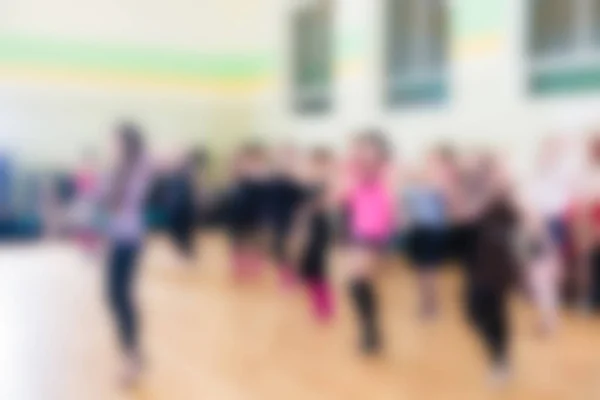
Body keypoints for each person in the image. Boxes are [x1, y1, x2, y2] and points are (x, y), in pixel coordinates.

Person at [101, 122, 152, 386]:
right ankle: (133, 353)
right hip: (116, 240)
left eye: (114, 141)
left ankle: (132, 357)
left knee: (120, 297)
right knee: (114, 297)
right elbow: (103, 199)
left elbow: (154, 159)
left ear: (126, 143)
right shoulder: (116, 171)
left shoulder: (138, 168)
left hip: (130, 241)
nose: (110, 146)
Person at [464, 154, 520, 385]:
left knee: (495, 312)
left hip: (499, 264)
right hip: (476, 262)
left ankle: (501, 361)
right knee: (473, 313)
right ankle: (499, 356)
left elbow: (522, 221)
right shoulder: (475, 196)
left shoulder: (506, 200)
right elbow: (465, 218)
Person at [340, 130, 396, 354]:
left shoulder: (388, 171)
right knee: (357, 283)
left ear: (379, 150)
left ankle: (370, 332)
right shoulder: (352, 172)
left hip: (377, 232)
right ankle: (370, 330)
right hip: (357, 231)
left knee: (359, 280)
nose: (362, 152)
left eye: (367, 147)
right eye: (359, 147)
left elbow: (393, 200)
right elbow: (343, 196)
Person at [403, 152, 447, 319]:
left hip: (433, 232)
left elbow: (446, 208)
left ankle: (432, 305)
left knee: (431, 271)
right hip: (417, 233)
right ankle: (424, 304)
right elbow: (406, 212)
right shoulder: (410, 190)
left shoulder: (436, 189)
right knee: (420, 271)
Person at [295, 147, 335, 321]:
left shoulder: (329, 183)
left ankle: (325, 305)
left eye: (321, 163)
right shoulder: (308, 182)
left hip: (322, 227)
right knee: (309, 266)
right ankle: (316, 303)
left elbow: (329, 205)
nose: (317, 166)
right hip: (309, 226)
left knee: (319, 266)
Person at [264, 144, 307, 287]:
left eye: (289, 156)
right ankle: (286, 274)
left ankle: (294, 275)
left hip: (294, 218)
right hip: (276, 219)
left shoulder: (298, 179)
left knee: (294, 249)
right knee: (278, 249)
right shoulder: (272, 178)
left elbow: (303, 199)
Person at [225, 143, 269, 281]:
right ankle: (238, 264)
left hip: (256, 213)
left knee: (255, 239)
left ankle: (254, 264)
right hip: (239, 212)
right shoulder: (238, 172)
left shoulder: (262, 175)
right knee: (238, 239)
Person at [165, 149, 205, 265]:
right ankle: (185, 252)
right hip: (178, 210)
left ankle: (188, 252)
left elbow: (195, 194)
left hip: (185, 210)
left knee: (186, 236)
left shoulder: (189, 175)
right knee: (179, 235)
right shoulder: (176, 176)